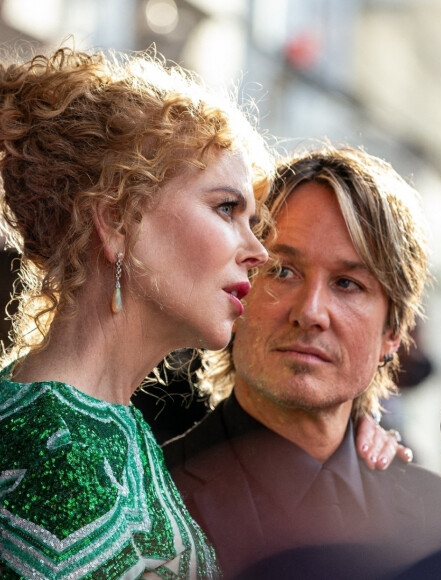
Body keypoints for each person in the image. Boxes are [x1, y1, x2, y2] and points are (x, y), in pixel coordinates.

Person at [0, 45, 274, 579]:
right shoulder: (58, 450)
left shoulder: (100, 422)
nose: (257, 251)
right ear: (117, 221)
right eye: (226, 208)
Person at [164, 145, 441, 579]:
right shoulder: (150, 501)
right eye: (283, 271)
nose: (311, 312)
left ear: (392, 333)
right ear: (237, 288)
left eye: (346, 283)